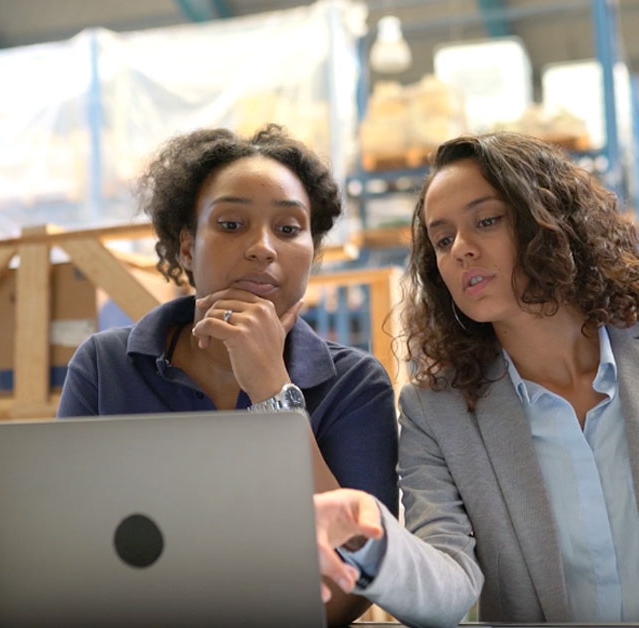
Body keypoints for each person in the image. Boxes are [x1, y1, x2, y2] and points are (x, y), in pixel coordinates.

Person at [313, 133, 639, 627]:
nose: (461, 249)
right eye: (443, 240)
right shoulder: (435, 412)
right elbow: (448, 589)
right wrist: (375, 537)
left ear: (548, 225)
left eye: (486, 221)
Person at [57, 125, 399, 625]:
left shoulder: (355, 384)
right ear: (186, 247)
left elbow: (353, 583)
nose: (263, 248)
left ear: (312, 252)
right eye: (232, 224)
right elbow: (66, 553)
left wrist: (272, 391)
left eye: (288, 229)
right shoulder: (104, 367)